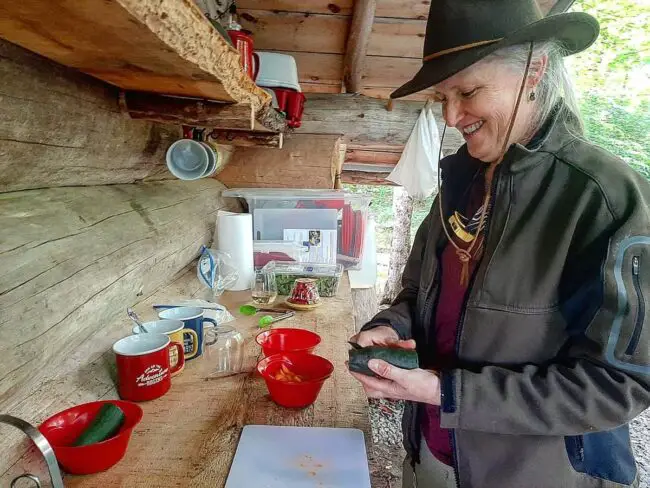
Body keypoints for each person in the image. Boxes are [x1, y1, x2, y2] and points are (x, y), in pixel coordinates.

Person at [348, 1, 650, 487]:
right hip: (431, 451)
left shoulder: (603, 199)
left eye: (467, 91)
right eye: (441, 97)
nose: (451, 116)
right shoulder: (459, 185)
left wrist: (448, 393)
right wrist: (389, 326)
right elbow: (416, 295)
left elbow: (617, 385)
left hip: (534, 473)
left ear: (536, 69)